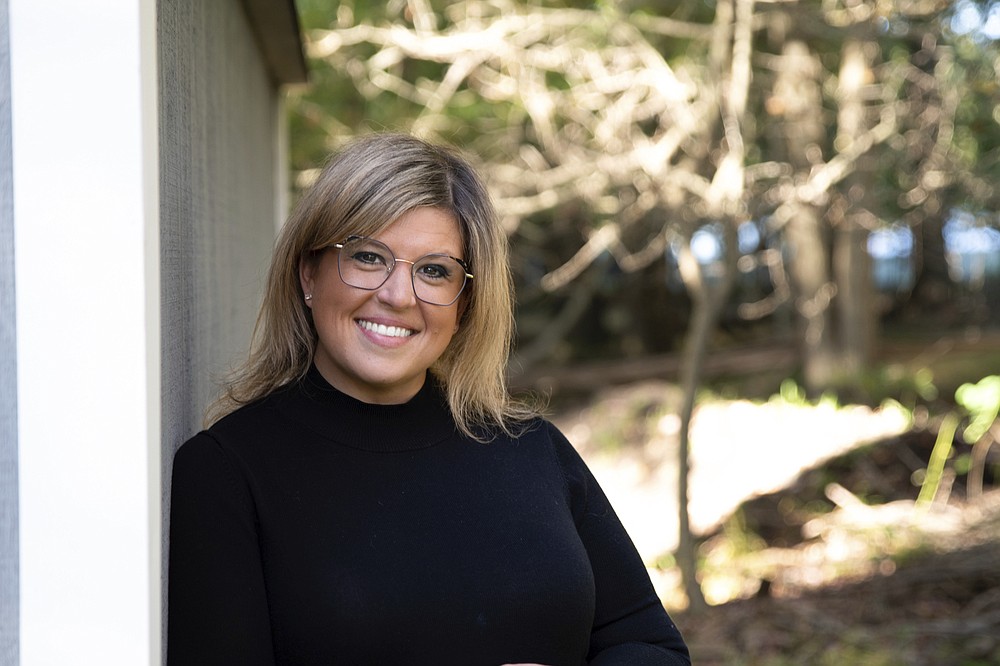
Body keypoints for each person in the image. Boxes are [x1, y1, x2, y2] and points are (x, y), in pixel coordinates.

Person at [167, 133, 691, 666]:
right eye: (369, 257)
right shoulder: (226, 474)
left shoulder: (533, 449)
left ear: (464, 303)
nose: (398, 296)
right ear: (309, 272)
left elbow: (650, 645)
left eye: (434, 270)